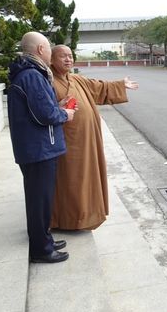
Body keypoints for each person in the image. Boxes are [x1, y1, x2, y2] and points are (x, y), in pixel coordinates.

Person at [50, 45, 138, 230]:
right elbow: (45, 110)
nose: (68, 59)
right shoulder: (48, 81)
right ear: (51, 59)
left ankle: (86, 218)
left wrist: (121, 85)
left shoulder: (76, 79)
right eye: (62, 56)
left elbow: (99, 87)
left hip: (87, 141)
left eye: (70, 55)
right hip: (67, 143)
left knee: (88, 180)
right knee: (71, 181)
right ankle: (68, 220)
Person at [7, 32, 75, 263]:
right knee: (40, 200)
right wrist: (64, 113)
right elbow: (45, 115)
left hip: (35, 148)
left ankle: (43, 238)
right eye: (48, 48)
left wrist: (56, 106)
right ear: (40, 50)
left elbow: (39, 108)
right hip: (39, 149)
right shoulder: (32, 76)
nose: (50, 53)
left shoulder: (28, 74)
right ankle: (41, 249)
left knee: (40, 198)